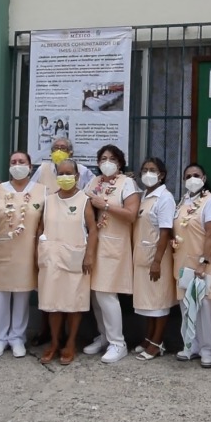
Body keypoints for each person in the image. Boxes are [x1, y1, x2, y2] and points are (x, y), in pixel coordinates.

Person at [0, 151, 45, 358]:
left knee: (22, 294)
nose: (18, 165)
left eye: (22, 162)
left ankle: (17, 337)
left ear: (30, 167)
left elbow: (44, 223)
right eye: (13, 162)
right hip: (1, 249)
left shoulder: (41, 191)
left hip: (27, 251)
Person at [81, 144, 139, 364]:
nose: (107, 162)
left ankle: (118, 342)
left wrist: (104, 205)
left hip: (114, 244)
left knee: (106, 294)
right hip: (93, 244)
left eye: (112, 159)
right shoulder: (94, 182)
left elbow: (131, 215)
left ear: (120, 163)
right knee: (95, 295)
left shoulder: (127, 183)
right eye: (103, 158)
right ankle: (104, 336)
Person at [37, 159, 99, 364]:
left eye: (68, 173)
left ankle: (71, 343)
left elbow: (93, 230)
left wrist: (89, 255)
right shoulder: (49, 200)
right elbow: (40, 228)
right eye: (61, 173)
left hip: (75, 259)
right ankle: (55, 343)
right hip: (51, 259)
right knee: (53, 303)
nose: (64, 177)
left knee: (73, 303)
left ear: (77, 176)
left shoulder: (84, 200)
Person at [172, 163, 211, 368]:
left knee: (205, 308)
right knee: (186, 306)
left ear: (204, 178)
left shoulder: (210, 201)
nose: (192, 179)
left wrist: (204, 261)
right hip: (183, 262)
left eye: (196, 175)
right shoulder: (183, 201)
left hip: (203, 262)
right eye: (188, 176)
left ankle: (208, 349)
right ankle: (190, 345)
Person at [132, 157, 177, 361]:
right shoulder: (143, 196)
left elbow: (165, 231)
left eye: (152, 170)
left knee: (159, 302)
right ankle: (148, 338)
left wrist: (157, 261)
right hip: (143, 255)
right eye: (144, 170)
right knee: (148, 303)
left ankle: (157, 343)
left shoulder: (164, 198)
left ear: (162, 175)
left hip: (157, 258)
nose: (147, 173)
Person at [31, 137, 95, 193]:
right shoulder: (43, 169)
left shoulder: (82, 170)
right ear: (51, 152)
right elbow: (31, 190)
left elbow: (94, 188)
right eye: (56, 148)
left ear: (70, 153)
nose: (59, 151)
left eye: (63, 148)